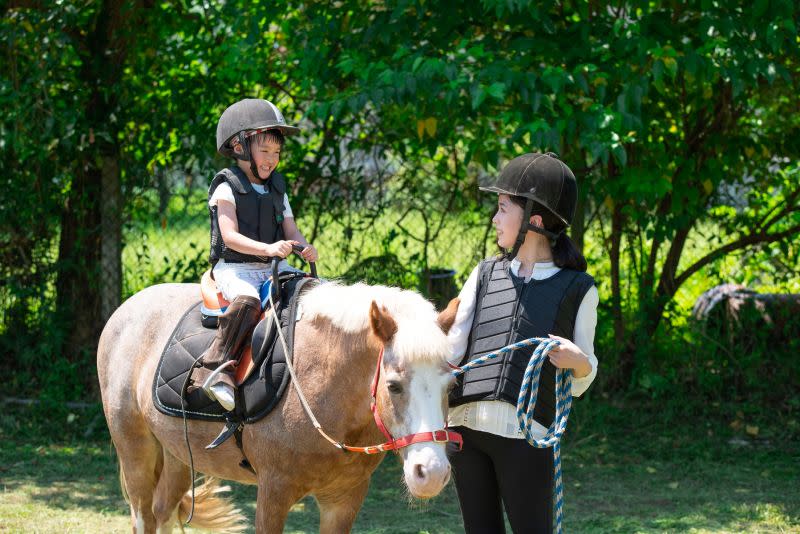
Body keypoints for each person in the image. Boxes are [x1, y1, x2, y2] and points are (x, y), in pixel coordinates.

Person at [447, 152, 599, 534]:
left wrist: (578, 362)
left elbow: (583, 377)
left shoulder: (578, 289)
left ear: (533, 220)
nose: (495, 219)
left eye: (502, 208)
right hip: (465, 434)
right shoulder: (483, 274)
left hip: (525, 439)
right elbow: (451, 351)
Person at [189, 98, 318, 416]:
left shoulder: (277, 189)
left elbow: (291, 230)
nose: (272, 159)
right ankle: (215, 370)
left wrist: (303, 247)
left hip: (275, 264)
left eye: (276, 153)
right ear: (239, 146)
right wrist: (268, 249)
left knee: (316, 291)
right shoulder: (227, 187)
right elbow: (230, 236)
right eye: (265, 151)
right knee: (246, 301)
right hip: (236, 268)